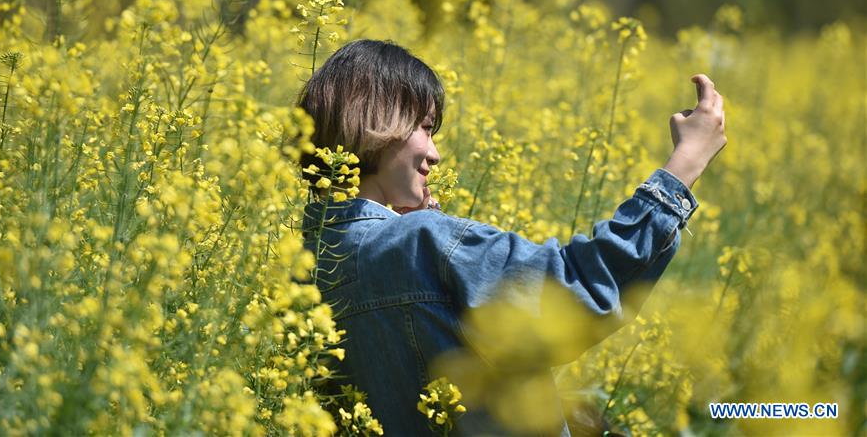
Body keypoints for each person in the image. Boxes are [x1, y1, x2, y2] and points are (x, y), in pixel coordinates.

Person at [297, 39, 727, 436]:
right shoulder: (425, 242)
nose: (435, 153)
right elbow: (578, 292)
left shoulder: (299, 268)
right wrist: (684, 166)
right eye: (425, 127)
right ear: (375, 121)